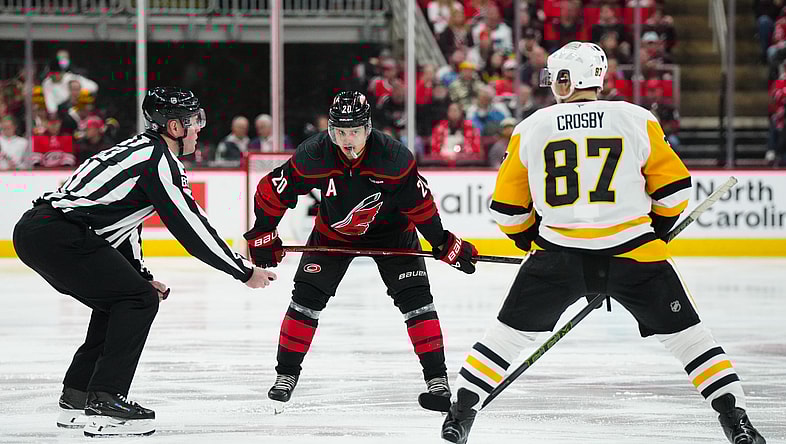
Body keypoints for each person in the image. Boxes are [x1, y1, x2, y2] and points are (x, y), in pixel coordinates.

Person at [440, 42, 766, 444]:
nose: (553, 84)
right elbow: (676, 192)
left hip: (557, 259)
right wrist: (656, 232)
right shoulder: (636, 118)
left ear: (568, 78)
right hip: (635, 254)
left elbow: (507, 210)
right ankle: (737, 422)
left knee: (506, 338)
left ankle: (460, 414)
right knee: (691, 341)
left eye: (557, 76)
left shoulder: (532, 127)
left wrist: (532, 244)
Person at [13, 86, 276, 437]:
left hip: (41, 231)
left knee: (125, 298)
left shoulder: (137, 150)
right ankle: (105, 401)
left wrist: (140, 274)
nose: (200, 128)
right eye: (193, 121)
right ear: (174, 128)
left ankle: (78, 398)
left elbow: (124, 226)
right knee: (137, 301)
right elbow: (190, 226)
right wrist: (243, 271)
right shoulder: (159, 161)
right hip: (60, 235)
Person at [245, 90, 479, 412]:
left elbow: (421, 207)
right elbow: (273, 190)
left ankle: (437, 379)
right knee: (305, 301)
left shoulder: (394, 158)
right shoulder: (315, 154)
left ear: (368, 128)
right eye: (339, 131)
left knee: (417, 302)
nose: (347, 140)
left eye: (353, 131)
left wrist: (441, 241)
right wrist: (262, 233)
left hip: (393, 235)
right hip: (333, 236)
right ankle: (285, 375)